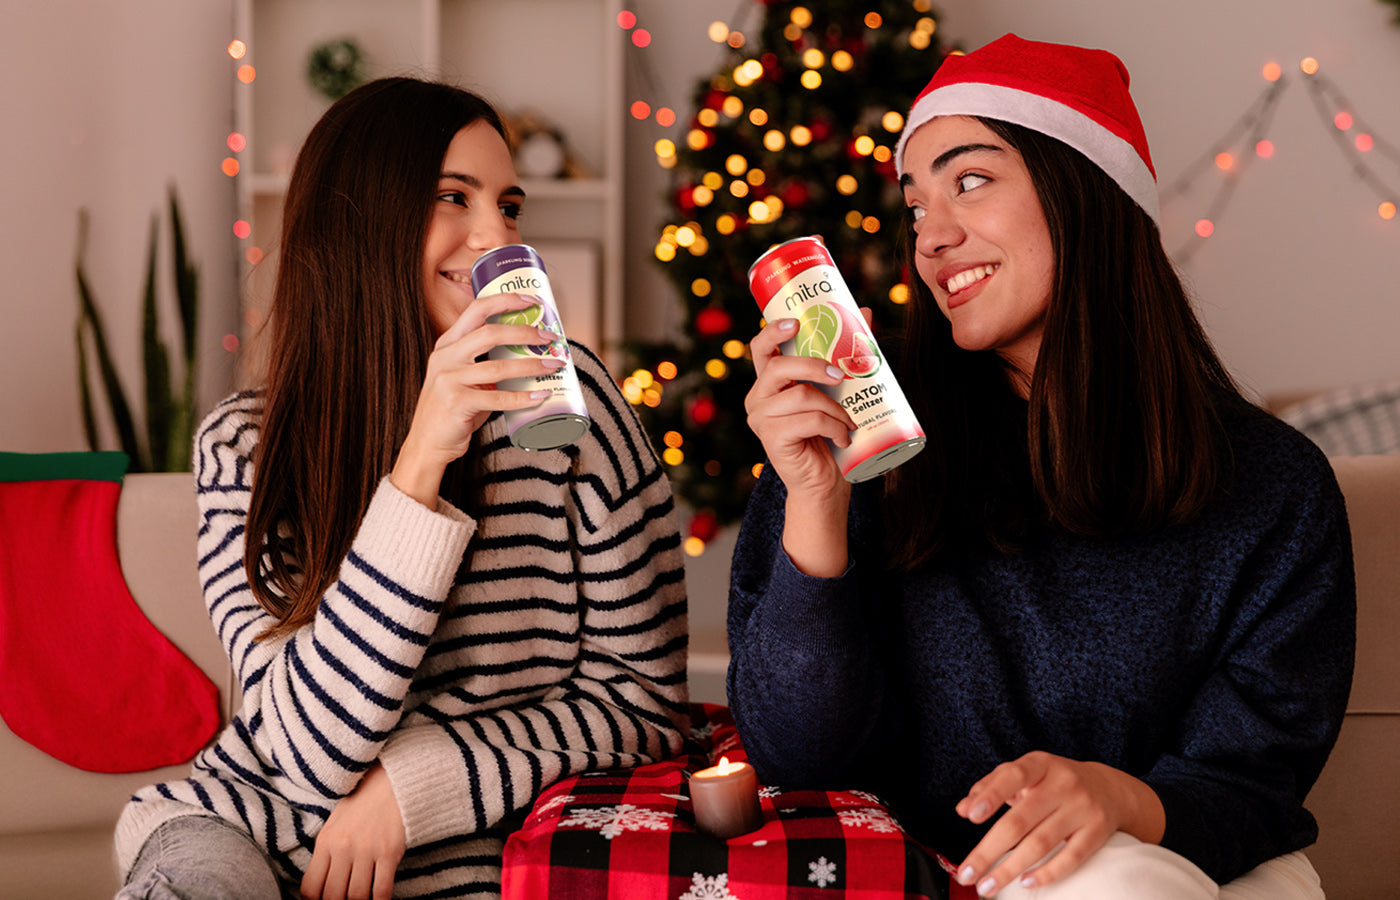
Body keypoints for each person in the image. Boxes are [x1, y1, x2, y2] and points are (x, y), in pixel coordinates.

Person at [729, 34, 1353, 900]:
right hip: (938, 876)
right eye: (916, 206)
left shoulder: (1276, 487)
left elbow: (1256, 786)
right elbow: (798, 762)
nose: (932, 237)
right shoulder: (864, 438)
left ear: (1085, 193)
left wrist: (1118, 800)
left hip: (1200, 869)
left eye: (971, 180)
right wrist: (814, 503)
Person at [113, 77, 689, 900]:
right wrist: (422, 462)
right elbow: (308, 756)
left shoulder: (576, 410)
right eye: (454, 196)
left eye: (511, 205)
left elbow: (643, 704)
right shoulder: (244, 448)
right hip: (243, 822)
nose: (497, 235)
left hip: (475, 842)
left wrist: (415, 789)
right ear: (361, 221)